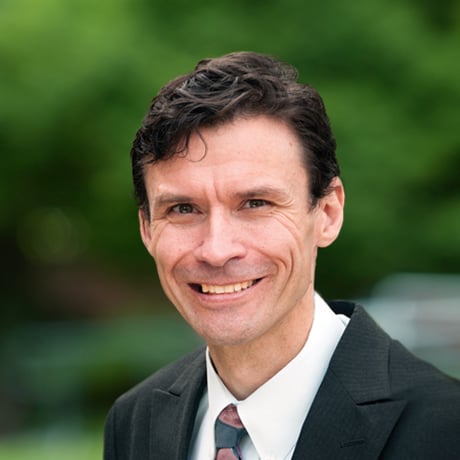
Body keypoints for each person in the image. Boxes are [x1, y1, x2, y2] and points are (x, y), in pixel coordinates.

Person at [103, 51, 460, 460]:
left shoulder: (446, 430)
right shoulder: (134, 423)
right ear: (147, 228)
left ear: (328, 213)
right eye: (183, 209)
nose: (217, 250)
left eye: (256, 203)